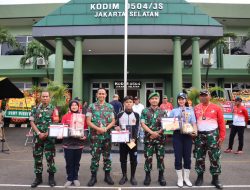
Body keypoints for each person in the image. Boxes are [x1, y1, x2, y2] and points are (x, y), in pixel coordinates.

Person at [193, 89, 226, 189]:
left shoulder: (216, 108)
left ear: (209, 96)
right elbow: (192, 122)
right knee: (199, 157)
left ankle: (215, 179)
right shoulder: (196, 108)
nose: (203, 97)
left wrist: (222, 137)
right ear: (199, 97)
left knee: (214, 158)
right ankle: (199, 177)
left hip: (213, 136)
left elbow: (221, 123)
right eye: (201, 95)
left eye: (205, 95)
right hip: (199, 136)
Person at [86, 88, 116, 186]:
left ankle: (107, 176)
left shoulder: (110, 107)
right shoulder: (91, 106)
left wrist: (106, 128)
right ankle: (93, 177)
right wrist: (98, 129)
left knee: (107, 157)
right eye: (100, 93)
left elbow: (113, 121)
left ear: (106, 95)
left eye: (103, 93)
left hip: (107, 136)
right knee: (95, 157)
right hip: (95, 137)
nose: (101, 95)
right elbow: (88, 121)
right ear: (97, 95)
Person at [29, 90, 59, 188]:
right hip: (38, 138)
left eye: (46, 96)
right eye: (43, 96)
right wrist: (38, 133)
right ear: (40, 97)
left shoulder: (54, 109)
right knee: (37, 158)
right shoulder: (35, 109)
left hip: (49, 138)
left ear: (49, 98)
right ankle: (38, 178)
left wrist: (47, 133)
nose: (45, 98)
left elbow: (55, 123)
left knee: (50, 158)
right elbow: (32, 122)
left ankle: (51, 178)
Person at [169, 92, 197, 187]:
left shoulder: (191, 110)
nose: (181, 101)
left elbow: (194, 123)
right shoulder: (174, 111)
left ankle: (186, 178)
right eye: (179, 99)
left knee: (187, 158)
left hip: (188, 136)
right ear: (177, 100)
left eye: (183, 99)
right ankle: (180, 179)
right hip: (177, 136)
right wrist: (172, 125)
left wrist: (195, 132)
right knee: (178, 158)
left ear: (186, 100)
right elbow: (169, 123)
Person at [141, 92, 166, 186]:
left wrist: (157, 133)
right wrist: (152, 133)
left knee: (161, 158)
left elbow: (165, 125)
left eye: (156, 98)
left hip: (160, 139)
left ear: (159, 100)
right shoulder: (144, 111)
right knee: (148, 158)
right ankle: (147, 176)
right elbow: (142, 124)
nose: (154, 100)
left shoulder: (163, 112)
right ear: (149, 100)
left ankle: (161, 176)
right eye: (152, 99)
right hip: (149, 139)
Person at [61, 100, 86, 187]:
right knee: (69, 162)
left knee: (76, 162)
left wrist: (84, 136)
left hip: (79, 143)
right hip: (68, 143)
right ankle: (69, 178)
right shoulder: (65, 116)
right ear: (70, 107)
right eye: (72, 105)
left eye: (76, 105)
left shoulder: (82, 117)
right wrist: (60, 134)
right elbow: (62, 129)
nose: (74, 106)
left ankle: (75, 178)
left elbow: (86, 129)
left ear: (78, 107)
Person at [115, 96, 139, 185]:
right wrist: (117, 127)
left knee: (134, 159)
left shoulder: (136, 115)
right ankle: (124, 176)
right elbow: (116, 125)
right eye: (127, 102)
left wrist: (134, 138)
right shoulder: (120, 114)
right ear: (124, 104)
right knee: (123, 159)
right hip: (123, 141)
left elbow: (137, 128)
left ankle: (133, 177)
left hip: (133, 141)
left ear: (133, 103)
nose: (128, 103)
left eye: (130, 102)